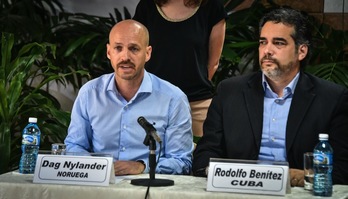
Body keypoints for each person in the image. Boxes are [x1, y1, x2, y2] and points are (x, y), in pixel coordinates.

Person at [192, 7, 348, 186]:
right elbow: (205, 155)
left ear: (301, 51)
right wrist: (225, 174)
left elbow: (342, 169)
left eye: (279, 43)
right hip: (239, 192)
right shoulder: (229, 92)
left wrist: (298, 177)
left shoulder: (332, 99)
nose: (267, 50)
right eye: (263, 42)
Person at [64, 19, 194, 176]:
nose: (125, 56)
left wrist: (142, 167)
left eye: (134, 49)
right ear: (109, 52)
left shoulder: (173, 99)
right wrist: (97, 169)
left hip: (149, 188)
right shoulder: (89, 93)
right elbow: (74, 145)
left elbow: (181, 161)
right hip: (99, 186)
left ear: (147, 53)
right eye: (118, 48)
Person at [133, 0, 227, 141]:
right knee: (151, 156)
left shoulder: (212, 7)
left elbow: (213, 63)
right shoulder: (147, 6)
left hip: (197, 104)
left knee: (201, 157)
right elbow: (136, 53)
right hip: (153, 101)